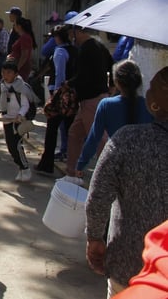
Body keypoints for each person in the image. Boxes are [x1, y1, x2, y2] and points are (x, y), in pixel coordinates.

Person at [85, 67, 168, 297]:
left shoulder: (127, 140)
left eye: (151, 88)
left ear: (156, 104)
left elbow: (98, 197)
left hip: (128, 267)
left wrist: (94, 238)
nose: (147, 92)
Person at [75, 60, 152, 176]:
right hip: (143, 165)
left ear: (116, 82)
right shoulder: (149, 106)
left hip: (115, 164)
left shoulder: (106, 105)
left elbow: (94, 138)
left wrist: (81, 164)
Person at [65, 26, 113, 184]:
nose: (72, 37)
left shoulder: (86, 49)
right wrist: (112, 85)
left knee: (99, 138)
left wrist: (68, 84)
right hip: (93, 98)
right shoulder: (99, 46)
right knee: (75, 133)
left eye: (72, 33)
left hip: (91, 99)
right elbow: (112, 65)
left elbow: (82, 75)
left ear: (78, 32)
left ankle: (106, 178)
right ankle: (71, 172)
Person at [35, 24, 78, 175]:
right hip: (72, 94)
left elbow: (60, 74)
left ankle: (47, 165)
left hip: (61, 93)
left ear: (57, 37)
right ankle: (73, 166)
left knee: (52, 129)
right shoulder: (74, 50)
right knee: (69, 129)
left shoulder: (60, 51)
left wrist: (56, 94)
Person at [0, 60, 33, 181]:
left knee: (16, 145)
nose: (5, 75)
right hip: (6, 120)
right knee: (10, 146)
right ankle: (21, 168)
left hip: (18, 121)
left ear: (16, 74)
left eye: (9, 72)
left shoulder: (20, 87)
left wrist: (20, 115)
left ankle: (25, 168)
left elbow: (25, 105)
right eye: (3, 72)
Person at [7, 16, 36, 81]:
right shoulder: (22, 37)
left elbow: (24, 55)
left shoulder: (25, 37)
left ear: (19, 26)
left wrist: (17, 69)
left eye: (15, 25)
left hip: (21, 68)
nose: (14, 26)